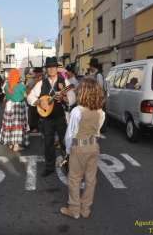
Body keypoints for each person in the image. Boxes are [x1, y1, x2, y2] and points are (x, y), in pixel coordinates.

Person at [60, 78, 105, 219]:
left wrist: (67, 151)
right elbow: (98, 129)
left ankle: (74, 210)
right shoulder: (100, 112)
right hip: (94, 146)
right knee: (91, 180)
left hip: (79, 147)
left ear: (82, 92)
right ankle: (86, 209)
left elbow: (70, 134)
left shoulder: (76, 111)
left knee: (74, 178)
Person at [27, 56, 76, 177]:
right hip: (46, 119)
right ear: (46, 69)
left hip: (61, 118)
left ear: (56, 68)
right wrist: (39, 102)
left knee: (65, 143)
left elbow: (73, 98)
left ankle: (68, 165)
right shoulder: (41, 83)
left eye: (53, 67)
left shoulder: (65, 82)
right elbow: (30, 97)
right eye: (48, 67)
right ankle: (49, 167)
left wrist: (64, 98)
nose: (51, 69)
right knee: (48, 143)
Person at [0, 68, 29, 152]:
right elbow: (25, 96)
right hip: (18, 106)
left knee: (9, 124)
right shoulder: (21, 86)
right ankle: (16, 145)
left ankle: (11, 143)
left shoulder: (6, 85)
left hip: (9, 106)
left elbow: (6, 96)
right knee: (17, 125)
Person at [26, 67, 43, 132]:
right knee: (33, 114)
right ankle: (33, 127)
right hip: (33, 100)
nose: (37, 74)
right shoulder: (31, 80)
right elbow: (27, 91)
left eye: (39, 73)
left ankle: (39, 126)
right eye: (36, 72)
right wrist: (35, 84)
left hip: (42, 99)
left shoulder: (45, 79)